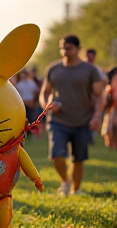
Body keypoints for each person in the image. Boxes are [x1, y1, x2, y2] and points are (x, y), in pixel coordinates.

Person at [39, 35, 103, 196]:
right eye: (62, 48)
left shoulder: (89, 70)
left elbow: (99, 95)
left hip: (82, 120)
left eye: (68, 48)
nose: (64, 51)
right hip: (58, 120)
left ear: (78, 49)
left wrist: (97, 116)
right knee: (56, 155)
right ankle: (66, 182)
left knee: (78, 158)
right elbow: (44, 93)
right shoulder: (54, 69)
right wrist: (47, 106)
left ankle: (76, 189)